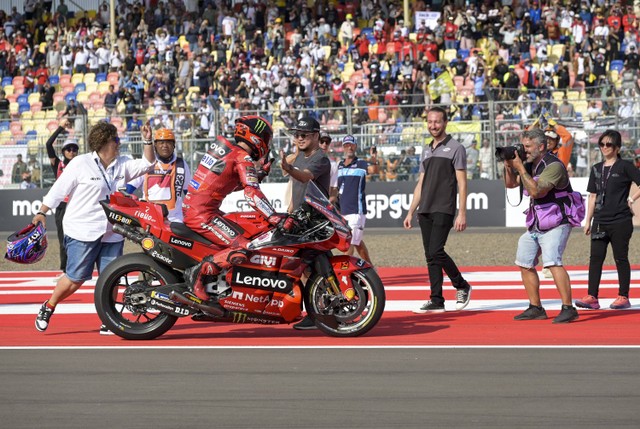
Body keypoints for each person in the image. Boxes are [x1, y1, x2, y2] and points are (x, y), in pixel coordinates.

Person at [34, 121, 155, 333]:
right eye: (116, 140)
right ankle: (49, 306)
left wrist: (147, 140)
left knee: (112, 276)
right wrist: (42, 211)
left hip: (112, 231)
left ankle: (109, 318)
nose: (119, 144)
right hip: (82, 229)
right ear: (104, 142)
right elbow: (58, 190)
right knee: (75, 278)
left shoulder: (123, 164)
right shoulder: (80, 163)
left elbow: (148, 164)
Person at [182, 116, 284, 309]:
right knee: (244, 247)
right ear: (256, 137)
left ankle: (217, 289)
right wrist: (273, 216)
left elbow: (225, 183)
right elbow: (251, 193)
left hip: (198, 210)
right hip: (202, 214)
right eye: (266, 138)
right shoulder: (241, 156)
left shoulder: (228, 149)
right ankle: (198, 273)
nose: (267, 143)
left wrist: (258, 174)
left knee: (240, 231)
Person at [503, 127, 579, 323]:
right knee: (524, 260)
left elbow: (537, 192)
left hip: (557, 222)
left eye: (528, 147)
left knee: (553, 261)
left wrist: (520, 167)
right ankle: (536, 307)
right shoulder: (530, 164)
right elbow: (511, 185)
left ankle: (568, 308)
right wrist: (508, 165)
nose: (524, 150)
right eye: (523, 146)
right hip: (537, 224)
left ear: (542, 146)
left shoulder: (554, 166)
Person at [403, 106, 472, 313]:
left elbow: (462, 182)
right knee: (430, 256)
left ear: (445, 123)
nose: (433, 126)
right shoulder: (426, 149)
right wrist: (410, 211)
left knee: (436, 250)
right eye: (430, 122)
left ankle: (462, 285)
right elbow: (421, 183)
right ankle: (436, 299)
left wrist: (462, 212)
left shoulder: (456, 148)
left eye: (437, 122)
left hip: (444, 207)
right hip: (425, 208)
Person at [576, 130, 640, 310]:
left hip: (620, 220)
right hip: (599, 221)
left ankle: (623, 296)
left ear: (617, 147)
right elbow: (592, 196)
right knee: (595, 258)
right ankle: (592, 296)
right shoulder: (596, 168)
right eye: (602, 144)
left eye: (609, 144)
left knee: (620, 258)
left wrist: (632, 199)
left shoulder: (625, 166)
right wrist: (588, 221)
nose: (605, 147)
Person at [279, 115, 332, 330]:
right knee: (305, 268)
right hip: (301, 219)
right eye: (296, 135)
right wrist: (290, 212)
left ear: (316, 136)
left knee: (316, 269)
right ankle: (317, 310)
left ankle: (319, 313)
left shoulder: (320, 158)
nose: (299, 138)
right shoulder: (299, 155)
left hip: (316, 222)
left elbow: (304, 177)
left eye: (304, 135)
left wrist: (288, 166)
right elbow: (292, 179)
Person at [126, 128, 191, 223]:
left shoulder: (181, 164)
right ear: (155, 145)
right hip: (149, 217)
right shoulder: (147, 163)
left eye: (168, 142)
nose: (165, 146)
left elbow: (188, 191)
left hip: (175, 218)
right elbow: (129, 188)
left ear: (174, 145)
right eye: (161, 143)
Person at [45, 118, 79, 273]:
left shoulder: (80, 164)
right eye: (68, 149)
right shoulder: (58, 164)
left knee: (78, 238)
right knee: (62, 238)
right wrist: (60, 127)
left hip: (77, 205)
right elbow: (48, 144)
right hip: (62, 205)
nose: (72, 151)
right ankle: (64, 270)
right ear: (63, 151)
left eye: (74, 149)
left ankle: (78, 267)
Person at [336, 135, 375, 264]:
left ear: (356, 146)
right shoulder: (340, 165)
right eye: (346, 145)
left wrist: (374, 156)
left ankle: (346, 273)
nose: (349, 147)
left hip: (356, 211)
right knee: (357, 242)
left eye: (351, 145)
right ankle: (370, 267)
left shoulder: (361, 164)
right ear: (343, 147)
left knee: (349, 243)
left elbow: (375, 169)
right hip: (343, 211)